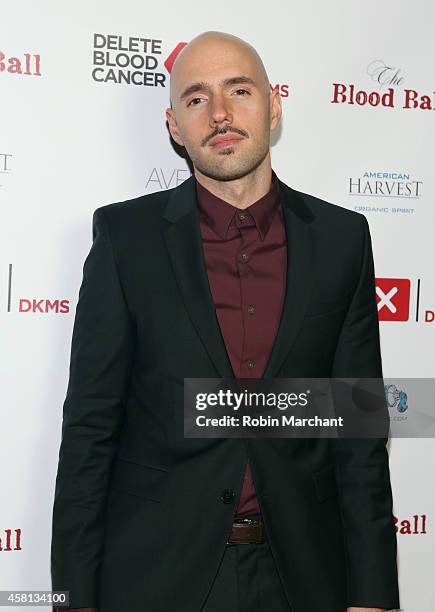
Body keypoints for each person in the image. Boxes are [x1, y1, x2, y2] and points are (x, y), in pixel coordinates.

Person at [51, 30, 400, 612]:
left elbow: (359, 427)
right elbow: (89, 429)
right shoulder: (125, 239)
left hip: (304, 577)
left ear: (274, 104)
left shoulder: (342, 240)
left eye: (239, 90)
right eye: (196, 98)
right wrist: (72, 598)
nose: (219, 113)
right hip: (154, 578)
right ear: (173, 126)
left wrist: (372, 594)